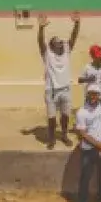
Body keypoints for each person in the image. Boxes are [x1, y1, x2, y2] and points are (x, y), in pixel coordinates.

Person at [37, 12, 81, 149]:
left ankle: (64, 135)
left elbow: (73, 37)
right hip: (51, 90)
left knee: (65, 116)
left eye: (61, 42)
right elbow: (40, 42)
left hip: (65, 89)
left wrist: (77, 23)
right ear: (51, 45)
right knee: (51, 118)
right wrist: (41, 28)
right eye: (57, 41)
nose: (60, 43)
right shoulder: (48, 54)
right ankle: (51, 139)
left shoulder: (67, 50)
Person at [74, 84, 101, 202]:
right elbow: (83, 133)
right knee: (85, 178)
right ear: (87, 94)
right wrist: (100, 145)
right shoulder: (81, 112)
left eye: (95, 93)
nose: (93, 96)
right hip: (89, 149)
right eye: (91, 93)